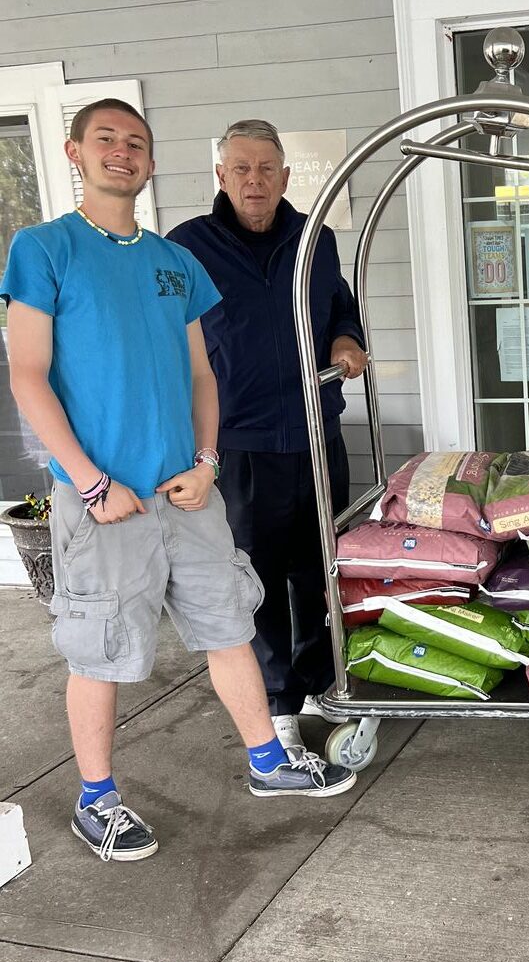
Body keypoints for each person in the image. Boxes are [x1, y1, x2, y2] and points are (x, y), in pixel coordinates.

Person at [3, 100, 355, 863]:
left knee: (228, 622)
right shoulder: (44, 249)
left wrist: (206, 463)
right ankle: (97, 800)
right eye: (106, 140)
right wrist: (93, 485)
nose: (121, 152)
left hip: (185, 491)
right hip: (104, 503)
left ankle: (269, 762)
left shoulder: (175, 261)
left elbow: (202, 374)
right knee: (99, 651)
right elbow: (28, 377)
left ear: (151, 163)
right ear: (75, 152)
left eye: (135, 143)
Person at [168, 121, 366, 757]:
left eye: (266, 169)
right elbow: (167, 339)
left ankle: (316, 681)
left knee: (320, 565)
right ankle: (277, 699)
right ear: (221, 178)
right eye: (241, 169)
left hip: (314, 431)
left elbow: (339, 306)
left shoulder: (317, 238)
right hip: (237, 442)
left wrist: (344, 339)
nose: (255, 180)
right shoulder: (185, 248)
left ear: (285, 177)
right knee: (252, 573)